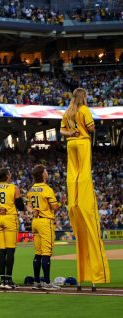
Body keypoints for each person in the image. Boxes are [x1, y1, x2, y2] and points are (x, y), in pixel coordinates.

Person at [60, 87, 111, 288]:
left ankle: (75, 189)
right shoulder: (84, 110)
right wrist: (87, 128)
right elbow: (90, 128)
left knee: (73, 173)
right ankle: (82, 189)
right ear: (83, 97)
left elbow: (62, 130)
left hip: (70, 142)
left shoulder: (68, 111)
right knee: (84, 174)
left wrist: (71, 130)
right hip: (81, 142)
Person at [0, 168, 23, 289]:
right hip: (10, 218)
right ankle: (8, 280)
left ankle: (2, 280)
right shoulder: (13, 188)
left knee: (2, 250)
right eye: (10, 174)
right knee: (10, 250)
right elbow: (21, 207)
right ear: (7, 176)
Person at [27, 164, 61, 291]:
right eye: (46, 171)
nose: (47, 172)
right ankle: (46, 282)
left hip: (35, 222)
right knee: (46, 252)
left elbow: (29, 206)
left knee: (38, 252)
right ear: (43, 174)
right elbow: (55, 207)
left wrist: (32, 211)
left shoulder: (32, 189)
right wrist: (58, 203)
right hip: (45, 221)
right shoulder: (47, 189)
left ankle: (37, 282)